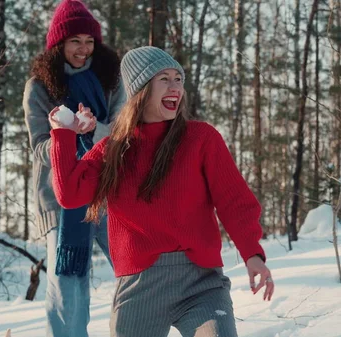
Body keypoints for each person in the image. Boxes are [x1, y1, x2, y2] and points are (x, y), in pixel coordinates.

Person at [47, 46, 275, 337]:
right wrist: (64, 134)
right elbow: (69, 194)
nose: (175, 87)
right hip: (139, 288)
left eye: (178, 79)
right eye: (164, 79)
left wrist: (252, 253)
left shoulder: (201, 138)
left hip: (201, 284)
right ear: (142, 90)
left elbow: (235, 201)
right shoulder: (113, 151)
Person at [22, 0, 126, 336]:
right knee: (68, 285)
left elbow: (123, 134)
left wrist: (93, 129)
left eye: (89, 41)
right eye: (74, 42)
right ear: (58, 45)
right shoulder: (39, 88)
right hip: (61, 198)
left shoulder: (110, 79)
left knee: (134, 270)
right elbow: (40, 147)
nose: (83, 49)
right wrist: (65, 134)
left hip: (108, 192)